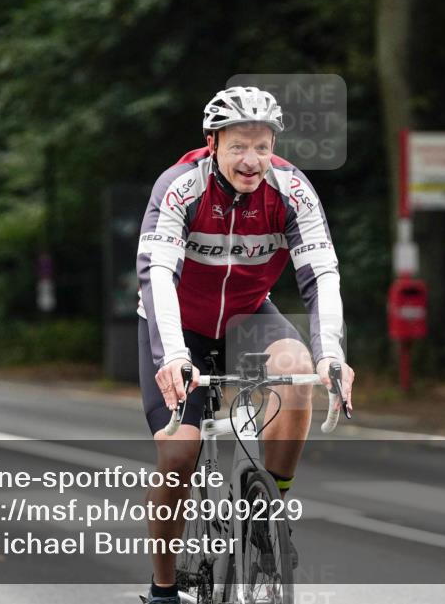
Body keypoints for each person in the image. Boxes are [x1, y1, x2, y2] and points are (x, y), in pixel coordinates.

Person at [136, 86, 356, 603]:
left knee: (298, 367)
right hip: (179, 325)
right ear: (212, 143)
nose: (251, 160)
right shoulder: (179, 187)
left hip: (250, 316)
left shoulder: (291, 190)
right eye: (238, 146)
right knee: (180, 452)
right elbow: (158, 274)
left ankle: (269, 511)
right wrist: (173, 357)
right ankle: (163, 586)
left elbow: (322, 274)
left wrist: (331, 356)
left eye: (262, 146)